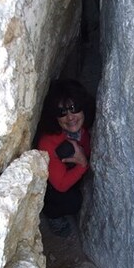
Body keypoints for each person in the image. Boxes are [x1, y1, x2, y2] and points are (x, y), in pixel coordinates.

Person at [36, 79, 95, 237]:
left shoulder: (84, 130)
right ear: (55, 117)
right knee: (72, 201)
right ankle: (52, 213)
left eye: (74, 108)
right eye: (62, 112)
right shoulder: (48, 142)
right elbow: (60, 185)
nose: (70, 117)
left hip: (72, 171)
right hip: (54, 185)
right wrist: (82, 165)